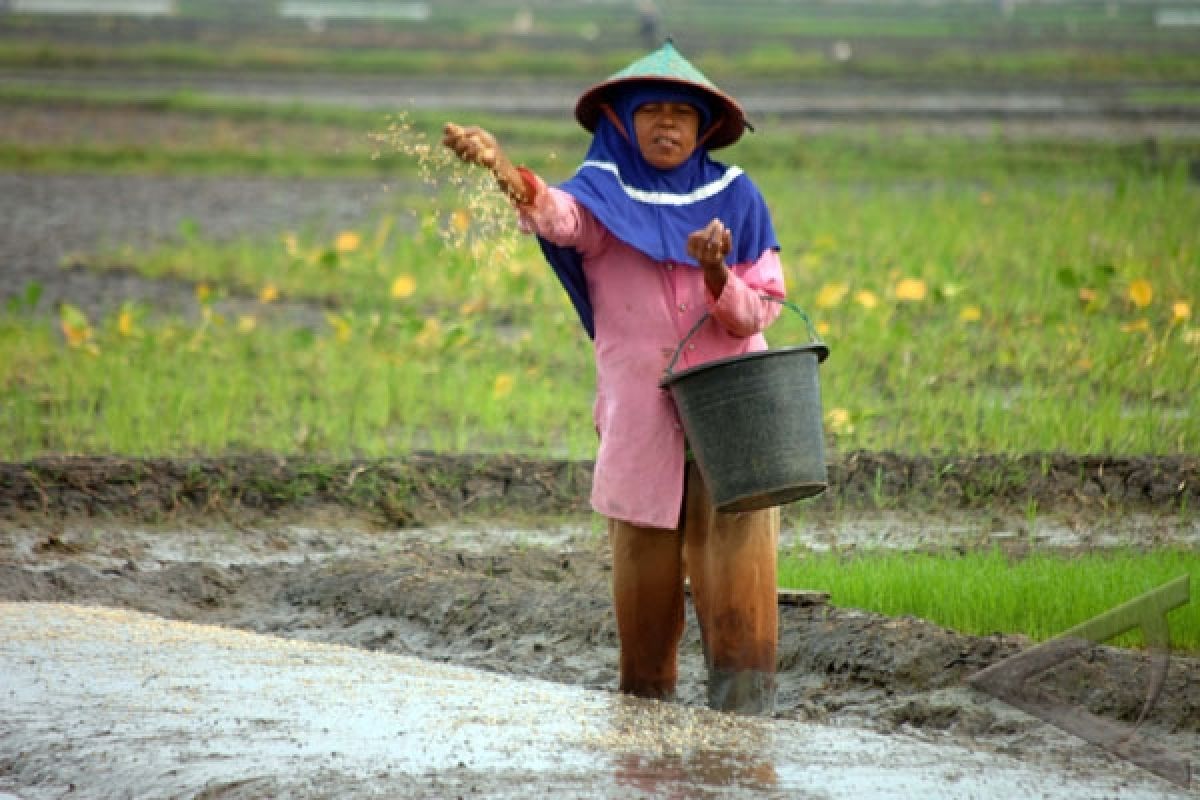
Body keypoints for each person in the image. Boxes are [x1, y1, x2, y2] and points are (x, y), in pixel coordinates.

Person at [443, 41, 785, 715]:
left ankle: (746, 730)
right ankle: (645, 724)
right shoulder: (600, 198)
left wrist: (717, 275)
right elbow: (555, 216)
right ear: (622, 123)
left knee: (740, 594)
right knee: (643, 599)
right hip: (641, 419)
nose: (666, 125)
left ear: (701, 127)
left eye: (680, 114)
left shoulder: (737, 200)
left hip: (732, 414)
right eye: (650, 111)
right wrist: (500, 169)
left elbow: (760, 310)